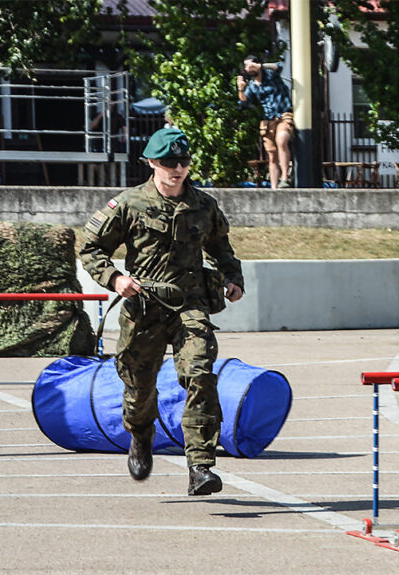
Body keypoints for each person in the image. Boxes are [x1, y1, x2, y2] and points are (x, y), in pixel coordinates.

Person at [80, 127, 244, 496]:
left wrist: (233, 279)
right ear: (152, 163)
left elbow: (222, 249)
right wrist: (116, 279)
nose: (178, 168)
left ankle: (200, 466)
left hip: (190, 307)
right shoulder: (128, 204)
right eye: (169, 162)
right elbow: (91, 248)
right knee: (139, 389)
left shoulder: (204, 205)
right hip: (144, 309)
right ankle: (140, 434)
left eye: (183, 161)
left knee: (200, 373)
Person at [237, 55, 294, 189]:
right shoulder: (252, 86)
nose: (249, 68)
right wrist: (240, 88)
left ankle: (285, 177)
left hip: (283, 115)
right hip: (268, 120)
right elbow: (243, 103)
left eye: (251, 65)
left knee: (282, 140)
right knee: (272, 154)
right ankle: (274, 187)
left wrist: (261, 65)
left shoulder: (271, 75)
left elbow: (279, 66)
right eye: (246, 66)